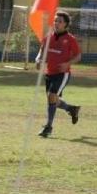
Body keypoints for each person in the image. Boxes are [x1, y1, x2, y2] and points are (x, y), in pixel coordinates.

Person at [35, 10, 82, 138]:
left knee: (51, 96)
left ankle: (48, 127)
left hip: (62, 74)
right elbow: (42, 50)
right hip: (49, 73)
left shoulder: (70, 39)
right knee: (53, 100)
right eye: (55, 20)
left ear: (66, 24)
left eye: (60, 21)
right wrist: (38, 59)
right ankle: (71, 109)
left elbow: (78, 56)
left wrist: (68, 64)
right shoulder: (48, 36)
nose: (56, 23)